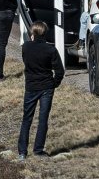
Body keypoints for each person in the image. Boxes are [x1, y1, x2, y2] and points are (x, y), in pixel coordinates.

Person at [18, 20, 65, 160]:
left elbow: (25, 61)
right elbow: (60, 71)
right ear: (45, 33)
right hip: (46, 87)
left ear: (32, 33)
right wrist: (53, 84)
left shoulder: (26, 47)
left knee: (27, 119)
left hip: (31, 86)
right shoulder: (50, 49)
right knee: (43, 119)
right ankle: (38, 149)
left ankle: (22, 151)